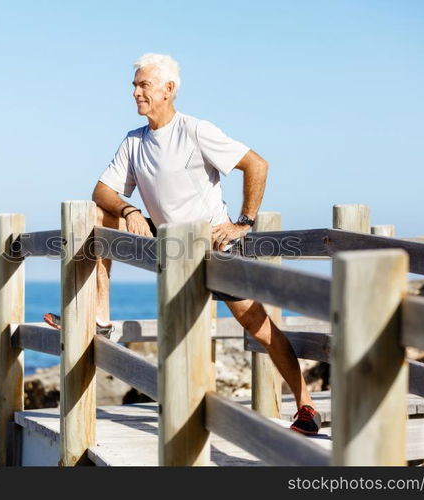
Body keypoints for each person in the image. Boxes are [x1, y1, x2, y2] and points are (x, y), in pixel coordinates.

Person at [45, 53, 321, 435]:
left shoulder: (195, 130)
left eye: (144, 85)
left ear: (169, 89)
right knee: (97, 216)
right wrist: (129, 210)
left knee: (259, 327)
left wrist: (244, 222)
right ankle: (100, 319)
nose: (135, 92)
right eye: (134, 85)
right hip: (170, 249)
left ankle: (305, 405)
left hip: (212, 248)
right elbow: (101, 191)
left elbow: (257, 164)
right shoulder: (134, 141)